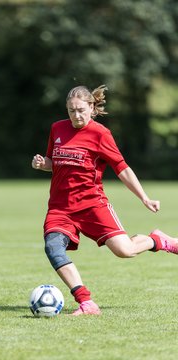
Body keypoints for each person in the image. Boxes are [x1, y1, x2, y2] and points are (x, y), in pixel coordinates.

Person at [32, 85, 178, 316]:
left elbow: (122, 169)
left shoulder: (100, 134)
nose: (76, 116)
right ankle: (86, 302)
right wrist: (43, 165)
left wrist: (144, 198)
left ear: (91, 107)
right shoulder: (57, 128)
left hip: (92, 205)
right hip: (60, 208)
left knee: (125, 251)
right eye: (71, 111)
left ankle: (157, 240)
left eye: (81, 110)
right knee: (53, 248)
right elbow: (55, 162)